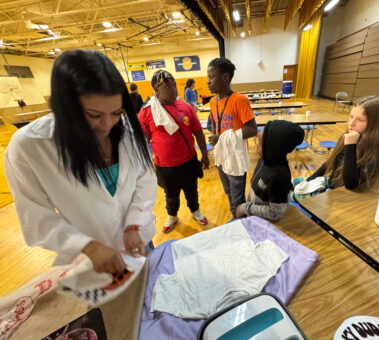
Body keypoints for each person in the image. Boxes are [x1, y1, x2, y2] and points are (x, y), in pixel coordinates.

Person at [5, 50, 157, 275]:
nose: (107, 125)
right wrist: (88, 247)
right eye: (94, 115)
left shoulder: (127, 132)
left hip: (138, 241)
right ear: (66, 108)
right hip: (90, 258)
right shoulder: (31, 146)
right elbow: (35, 217)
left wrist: (135, 223)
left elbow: (145, 181)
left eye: (116, 112)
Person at [139, 70, 209, 233]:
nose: (172, 89)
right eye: (166, 86)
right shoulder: (147, 112)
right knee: (170, 194)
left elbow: (198, 132)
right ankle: (172, 216)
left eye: (173, 85)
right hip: (165, 165)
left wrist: (205, 155)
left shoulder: (185, 107)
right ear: (156, 90)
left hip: (189, 160)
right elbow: (142, 140)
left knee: (192, 190)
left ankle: (195, 211)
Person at [290, 95, 379, 203]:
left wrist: (350, 146)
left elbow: (350, 183)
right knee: (284, 184)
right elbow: (329, 163)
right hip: (330, 181)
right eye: (351, 117)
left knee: (290, 197)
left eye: (360, 120)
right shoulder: (353, 133)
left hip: (340, 193)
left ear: (376, 124)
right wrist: (308, 180)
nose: (351, 123)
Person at [207, 57, 258, 219]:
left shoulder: (240, 100)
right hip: (221, 155)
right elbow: (215, 124)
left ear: (225, 77)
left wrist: (221, 137)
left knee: (237, 197)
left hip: (235, 156)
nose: (208, 82)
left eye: (211, 77)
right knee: (228, 192)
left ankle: (242, 222)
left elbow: (252, 129)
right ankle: (235, 218)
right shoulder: (212, 102)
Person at [236, 120, 304, 220]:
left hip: (264, 222)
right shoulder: (264, 159)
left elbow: (276, 213)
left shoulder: (279, 177)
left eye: (260, 143)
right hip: (254, 214)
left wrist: (246, 208)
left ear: (272, 148)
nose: (256, 146)